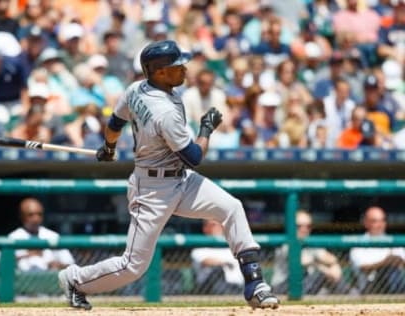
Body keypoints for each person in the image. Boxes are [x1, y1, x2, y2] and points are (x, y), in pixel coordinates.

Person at [58, 40, 280, 310]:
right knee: (133, 266)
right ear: (160, 72)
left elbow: (115, 123)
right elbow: (195, 157)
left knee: (232, 207)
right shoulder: (164, 112)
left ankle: (254, 284)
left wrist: (109, 147)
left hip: (180, 179)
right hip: (152, 189)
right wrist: (207, 129)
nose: (184, 69)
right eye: (177, 65)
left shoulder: (136, 89)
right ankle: (74, 280)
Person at [271, 210, 348, 295]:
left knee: (324, 279)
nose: (304, 229)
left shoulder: (310, 243)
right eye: (299, 226)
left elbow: (331, 258)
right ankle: (349, 295)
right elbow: (302, 262)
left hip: (307, 285)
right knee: (318, 274)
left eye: (308, 226)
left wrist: (334, 265)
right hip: (282, 288)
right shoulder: (286, 243)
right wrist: (323, 268)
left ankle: (350, 298)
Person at [0, 198, 74, 272]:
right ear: (21, 216)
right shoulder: (13, 237)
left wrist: (57, 265)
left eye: (39, 214)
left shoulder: (53, 236)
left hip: (50, 284)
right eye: (31, 215)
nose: (36, 219)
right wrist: (25, 256)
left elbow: (71, 266)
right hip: (21, 286)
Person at [349, 206, 405, 294]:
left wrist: (398, 261)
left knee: (393, 270)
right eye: (375, 221)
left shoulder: (393, 241)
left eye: (382, 220)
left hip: (397, 282)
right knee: (388, 269)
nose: (380, 225)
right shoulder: (359, 243)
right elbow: (363, 268)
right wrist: (387, 262)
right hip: (371, 288)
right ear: (366, 223)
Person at [191, 220, 244, 294]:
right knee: (218, 270)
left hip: (237, 286)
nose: (218, 228)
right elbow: (206, 262)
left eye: (220, 225)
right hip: (210, 287)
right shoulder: (199, 250)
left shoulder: (231, 248)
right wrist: (224, 263)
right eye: (213, 225)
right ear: (205, 228)